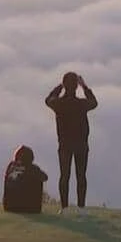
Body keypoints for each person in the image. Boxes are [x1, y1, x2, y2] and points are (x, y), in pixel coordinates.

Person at [44, 71, 98, 215]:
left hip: (64, 145)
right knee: (81, 176)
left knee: (64, 175)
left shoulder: (59, 104)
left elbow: (48, 99)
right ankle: (81, 208)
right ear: (76, 87)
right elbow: (94, 102)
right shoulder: (81, 104)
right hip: (81, 144)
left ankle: (65, 208)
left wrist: (60, 86)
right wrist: (84, 86)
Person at [3, 145, 49, 214]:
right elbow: (45, 177)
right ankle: (34, 205)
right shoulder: (33, 168)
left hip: (9, 207)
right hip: (29, 208)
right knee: (38, 180)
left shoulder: (10, 166)